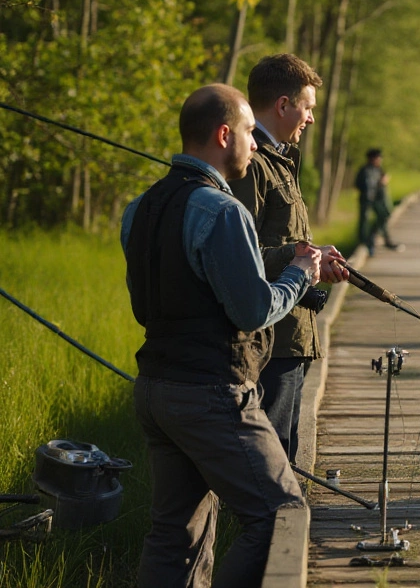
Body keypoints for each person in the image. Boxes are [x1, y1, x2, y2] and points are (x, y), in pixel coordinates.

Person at [121, 84, 323, 587]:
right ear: (224, 133)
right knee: (282, 514)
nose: (256, 146)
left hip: (154, 389)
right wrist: (300, 273)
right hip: (212, 392)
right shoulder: (223, 211)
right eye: (251, 134)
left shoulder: (139, 208)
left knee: (174, 535)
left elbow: (147, 304)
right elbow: (255, 311)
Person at [228, 54, 348, 463]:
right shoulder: (252, 166)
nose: (311, 118)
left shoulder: (279, 160)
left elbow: (280, 243)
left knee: (287, 455)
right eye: (308, 107)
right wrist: (300, 257)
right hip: (271, 344)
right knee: (272, 460)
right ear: (283, 105)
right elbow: (238, 257)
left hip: (293, 337)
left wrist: (314, 260)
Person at [354, 148, 402, 254]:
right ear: (372, 158)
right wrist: (379, 183)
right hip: (367, 200)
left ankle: (376, 238)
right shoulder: (365, 170)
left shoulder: (378, 169)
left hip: (376, 200)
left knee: (384, 215)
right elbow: (361, 184)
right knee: (364, 221)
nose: (380, 160)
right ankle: (364, 242)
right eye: (378, 158)